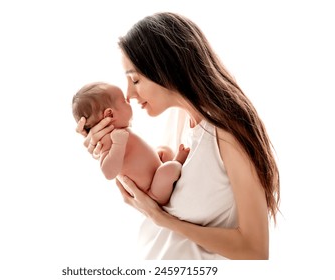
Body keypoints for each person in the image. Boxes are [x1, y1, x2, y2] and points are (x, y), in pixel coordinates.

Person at [75, 12, 280, 260]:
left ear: (168, 70)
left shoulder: (228, 134)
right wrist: (106, 147)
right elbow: (158, 188)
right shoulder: (179, 118)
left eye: (136, 79)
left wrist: (161, 218)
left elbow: (255, 250)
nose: (128, 94)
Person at [72, 81, 190, 205]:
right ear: (110, 114)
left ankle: (169, 167)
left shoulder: (119, 131)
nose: (129, 100)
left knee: (164, 150)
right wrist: (118, 145)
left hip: (155, 177)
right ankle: (177, 162)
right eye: (124, 101)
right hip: (151, 193)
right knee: (170, 168)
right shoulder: (107, 140)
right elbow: (109, 173)